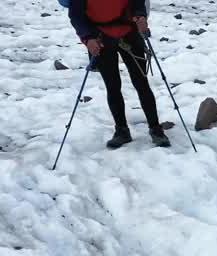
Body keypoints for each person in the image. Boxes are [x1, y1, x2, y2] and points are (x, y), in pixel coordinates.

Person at [68, 0, 171, 149]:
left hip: (128, 31)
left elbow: (137, 2)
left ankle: (155, 129)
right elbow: (76, 15)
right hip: (100, 36)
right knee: (113, 85)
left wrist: (140, 16)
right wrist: (88, 38)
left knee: (141, 82)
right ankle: (122, 131)